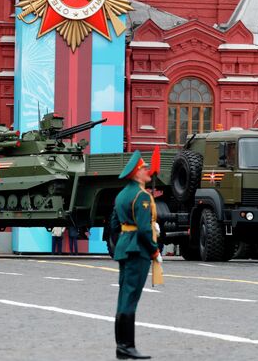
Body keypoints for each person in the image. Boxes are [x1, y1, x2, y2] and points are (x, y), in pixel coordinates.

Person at [110, 150, 162, 360]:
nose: (147, 171)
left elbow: (114, 224)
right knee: (131, 298)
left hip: (125, 246)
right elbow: (142, 229)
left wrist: (124, 238)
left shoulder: (122, 194)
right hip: (137, 250)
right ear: (136, 173)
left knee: (124, 296)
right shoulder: (141, 195)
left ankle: (121, 346)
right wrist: (154, 250)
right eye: (143, 168)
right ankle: (126, 346)